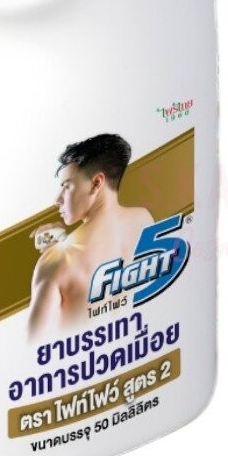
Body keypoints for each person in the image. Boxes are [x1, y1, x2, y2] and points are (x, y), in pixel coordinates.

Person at [28, 134, 153, 337]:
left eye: (66, 186)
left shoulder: (55, 263)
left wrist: (53, 258)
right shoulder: (144, 219)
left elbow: (33, 345)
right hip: (138, 340)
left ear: (96, 183)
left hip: (83, 355)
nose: (57, 200)